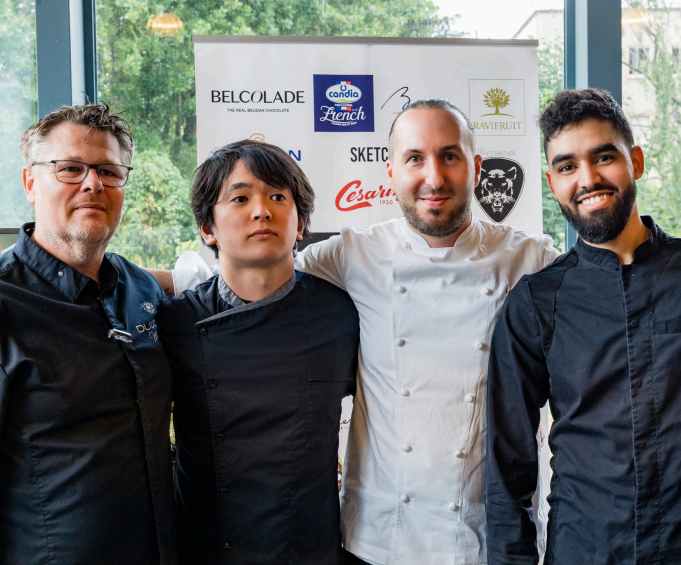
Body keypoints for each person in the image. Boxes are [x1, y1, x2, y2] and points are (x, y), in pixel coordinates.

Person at [165, 99, 558, 564]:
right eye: (415, 158)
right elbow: (257, 273)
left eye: (449, 156)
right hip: (376, 537)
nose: (433, 177)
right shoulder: (355, 253)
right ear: (391, 173)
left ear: (476, 168)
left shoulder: (531, 259)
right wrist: (138, 283)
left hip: (482, 536)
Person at [485, 87, 681, 565]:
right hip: (587, 550)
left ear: (635, 161)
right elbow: (507, 469)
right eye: (568, 166)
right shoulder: (535, 302)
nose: (588, 179)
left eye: (604, 157)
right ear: (553, 183)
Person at [156, 140, 359, 564]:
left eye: (278, 197)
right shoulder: (175, 323)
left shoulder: (342, 317)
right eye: (240, 198)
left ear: (300, 224)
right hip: (206, 548)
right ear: (207, 228)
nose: (261, 211)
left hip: (309, 550)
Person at [0, 103, 175, 564]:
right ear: (30, 183)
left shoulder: (141, 288)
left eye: (109, 171)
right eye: (70, 168)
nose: (93, 183)